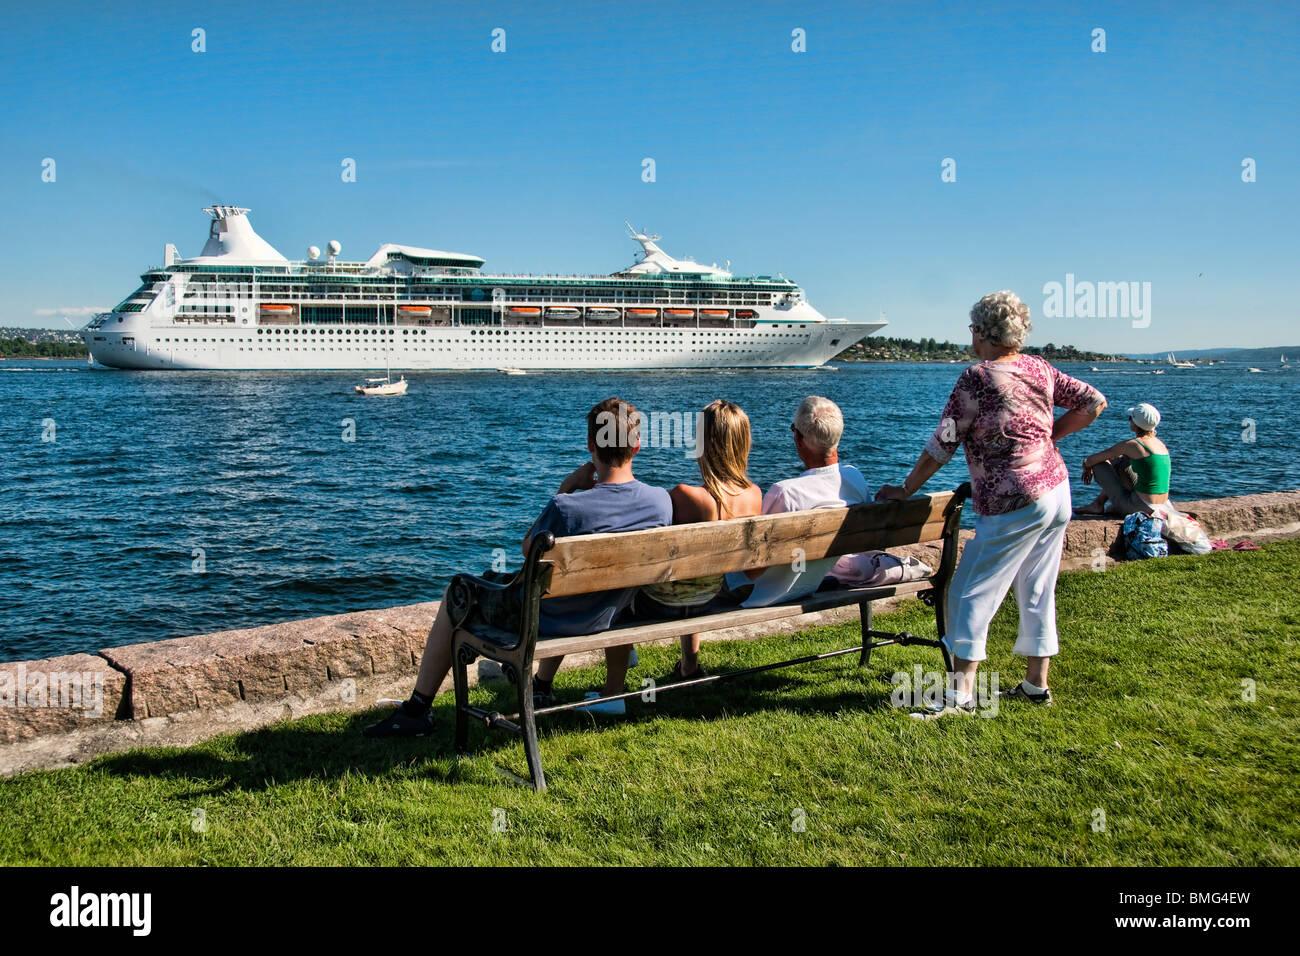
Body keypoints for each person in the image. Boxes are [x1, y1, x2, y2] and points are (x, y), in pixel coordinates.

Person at [363, 397, 671, 737]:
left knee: (459, 593)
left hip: (546, 618)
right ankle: (540, 685)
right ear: (637, 446)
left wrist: (568, 486)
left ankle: (418, 709)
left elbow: (530, 548)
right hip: (604, 614)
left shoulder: (567, 507)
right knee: (561, 588)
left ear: (590, 445)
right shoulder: (660, 503)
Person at [876, 291, 1106, 717]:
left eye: (972, 330)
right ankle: (1036, 685)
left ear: (982, 331)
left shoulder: (977, 378)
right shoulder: (1038, 367)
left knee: (967, 591)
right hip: (1056, 491)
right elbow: (1093, 403)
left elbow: (943, 442)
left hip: (1014, 499)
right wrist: (1049, 438)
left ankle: (960, 697)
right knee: (1037, 588)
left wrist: (905, 489)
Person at [630, 399, 763, 680]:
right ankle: (689, 666)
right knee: (699, 579)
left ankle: (617, 676)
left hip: (673, 602)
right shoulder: (755, 494)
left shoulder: (685, 496)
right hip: (719, 594)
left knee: (625, 585)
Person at [739, 396, 871, 608]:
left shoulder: (785, 493)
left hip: (768, 593)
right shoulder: (855, 478)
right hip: (815, 581)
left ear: (798, 439)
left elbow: (753, 569)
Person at [1075, 403, 1170, 517]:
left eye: (1130, 418)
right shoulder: (1160, 444)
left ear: (1135, 423)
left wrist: (1087, 467)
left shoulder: (1133, 445)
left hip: (1142, 508)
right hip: (1163, 505)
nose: (1129, 421)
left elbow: (1090, 460)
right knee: (1122, 461)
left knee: (1099, 464)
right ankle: (1098, 504)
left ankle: (1098, 504)